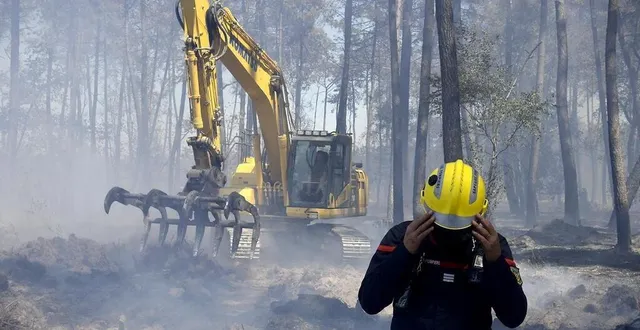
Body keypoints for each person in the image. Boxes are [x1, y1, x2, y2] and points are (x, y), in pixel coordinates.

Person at [358, 159, 527, 330]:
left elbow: (513, 317)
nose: (450, 229)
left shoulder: (490, 245)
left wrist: (496, 263)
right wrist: (404, 253)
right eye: (443, 219)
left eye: (460, 221)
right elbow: (370, 303)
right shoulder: (404, 236)